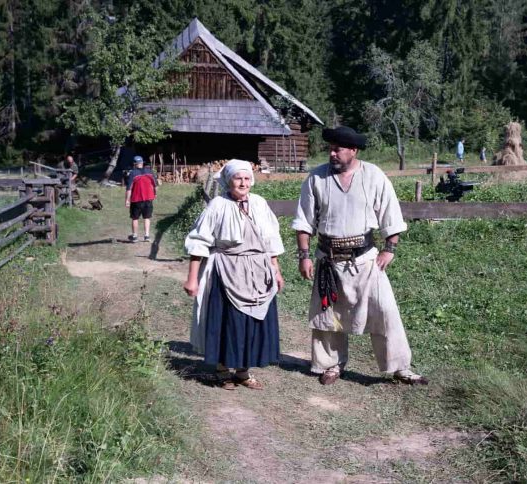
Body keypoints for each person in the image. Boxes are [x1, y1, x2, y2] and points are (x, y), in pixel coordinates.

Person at [292, 126, 429, 386]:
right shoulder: (316, 178)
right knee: (327, 316)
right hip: (328, 261)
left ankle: (400, 367)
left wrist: (390, 248)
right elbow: (304, 221)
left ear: (353, 150)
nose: (331, 154)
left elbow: (390, 213)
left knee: (385, 311)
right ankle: (330, 364)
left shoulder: (373, 175)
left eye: (337, 149)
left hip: (365, 259)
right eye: (330, 149)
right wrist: (304, 256)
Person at [183, 160, 285, 390]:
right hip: (227, 269)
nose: (243, 183)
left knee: (252, 322)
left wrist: (276, 271)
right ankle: (222, 369)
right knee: (228, 321)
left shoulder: (259, 203)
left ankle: (242, 371)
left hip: (259, 270)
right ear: (229, 181)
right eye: (238, 178)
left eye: (247, 178)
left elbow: (270, 240)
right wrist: (192, 278)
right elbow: (199, 242)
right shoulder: (218, 205)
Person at [125, 155, 157, 242]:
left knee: (135, 218)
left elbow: (129, 189)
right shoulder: (150, 172)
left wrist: (127, 200)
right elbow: (155, 185)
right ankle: (147, 236)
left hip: (136, 200)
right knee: (147, 217)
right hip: (148, 199)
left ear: (134, 164)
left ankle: (135, 236)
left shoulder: (133, 173)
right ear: (142, 163)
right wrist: (155, 194)